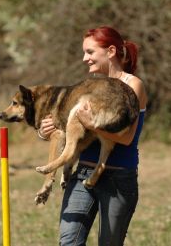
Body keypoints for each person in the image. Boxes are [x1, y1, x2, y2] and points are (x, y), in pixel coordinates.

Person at [38, 26, 147, 246]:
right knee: (69, 242)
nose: (84, 58)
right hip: (82, 174)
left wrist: (92, 125)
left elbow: (126, 138)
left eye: (90, 52)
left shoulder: (133, 85)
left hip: (119, 178)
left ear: (111, 51)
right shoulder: (92, 87)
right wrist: (45, 130)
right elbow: (69, 128)